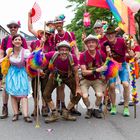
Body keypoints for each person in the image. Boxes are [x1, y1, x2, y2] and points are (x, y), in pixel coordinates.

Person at [43, 40, 81, 123]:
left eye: (66, 50)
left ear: (69, 51)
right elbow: (41, 58)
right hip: (55, 75)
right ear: (58, 50)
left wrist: (78, 87)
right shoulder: (52, 54)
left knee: (78, 94)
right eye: (62, 50)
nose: (64, 52)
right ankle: (54, 113)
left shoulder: (73, 57)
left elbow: (76, 73)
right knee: (46, 94)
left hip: (69, 76)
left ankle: (66, 112)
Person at [102, 25, 135, 116]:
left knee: (126, 84)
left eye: (112, 34)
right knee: (112, 86)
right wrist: (108, 54)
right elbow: (103, 59)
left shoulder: (122, 41)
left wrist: (129, 49)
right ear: (106, 35)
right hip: (112, 66)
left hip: (122, 65)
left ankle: (126, 107)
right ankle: (113, 106)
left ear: (115, 34)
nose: (110, 36)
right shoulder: (104, 45)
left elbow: (131, 55)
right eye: (108, 34)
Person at [28, 11, 55, 117]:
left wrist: (46, 71)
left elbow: (51, 58)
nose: (46, 36)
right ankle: (35, 108)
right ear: (41, 34)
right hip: (35, 70)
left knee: (44, 90)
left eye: (48, 34)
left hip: (46, 70)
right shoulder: (35, 43)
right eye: (44, 34)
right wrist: (29, 16)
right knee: (35, 90)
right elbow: (32, 57)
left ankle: (44, 106)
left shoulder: (51, 45)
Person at [54, 15, 81, 116]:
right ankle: (62, 105)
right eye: (56, 24)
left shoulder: (70, 34)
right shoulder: (54, 37)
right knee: (60, 86)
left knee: (73, 85)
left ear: (63, 23)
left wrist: (78, 60)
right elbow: (54, 51)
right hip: (60, 63)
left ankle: (72, 106)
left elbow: (75, 48)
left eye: (60, 23)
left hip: (71, 62)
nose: (58, 25)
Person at [0, 20, 28, 119]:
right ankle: (5, 107)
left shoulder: (22, 39)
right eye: (11, 27)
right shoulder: (5, 39)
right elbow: (2, 52)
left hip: (20, 67)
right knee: (6, 88)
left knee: (19, 87)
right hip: (8, 66)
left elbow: (25, 53)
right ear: (9, 28)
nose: (13, 28)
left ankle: (18, 109)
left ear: (17, 28)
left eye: (15, 27)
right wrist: (2, 64)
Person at [5, 34, 32, 122]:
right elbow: (4, 59)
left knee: (24, 94)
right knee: (13, 94)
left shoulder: (25, 52)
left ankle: (25, 115)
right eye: (15, 39)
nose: (17, 41)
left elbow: (32, 58)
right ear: (12, 42)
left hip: (22, 73)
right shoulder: (9, 52)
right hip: (12, 73)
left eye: (19, 40)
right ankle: (16, 114)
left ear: (21, 42)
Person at [80, 34, 106, 119]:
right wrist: (96, 70)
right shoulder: (83, 55)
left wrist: (105, 75)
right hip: (85, 80)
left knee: (99, 95)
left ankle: (96, 108)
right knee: (84, 96)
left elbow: (105, 66)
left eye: (93, 42)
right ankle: (89, 108)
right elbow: (83, 72)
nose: (91, 44)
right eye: (89, 43)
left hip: (97, 79)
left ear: (96, 44)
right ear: (86, 45)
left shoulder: (101, 54)